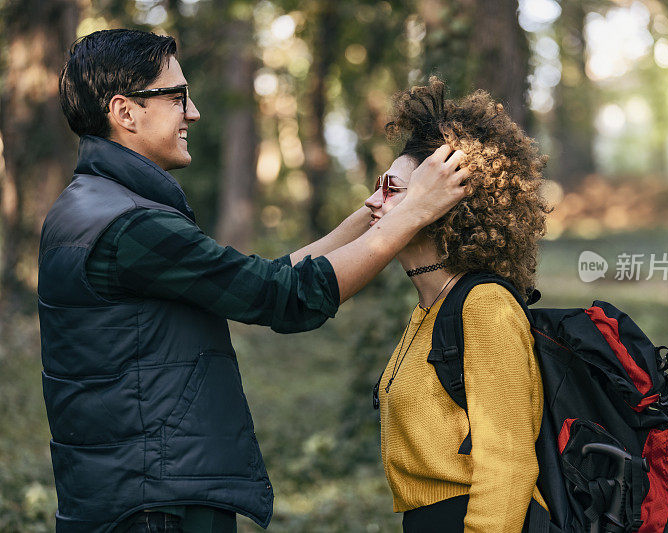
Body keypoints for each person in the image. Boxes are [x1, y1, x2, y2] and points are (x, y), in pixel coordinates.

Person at [40, 29, 468, 532]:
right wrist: (412, 213)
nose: (192, 112)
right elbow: (283, 299)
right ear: (125, 111)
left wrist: (375, 213)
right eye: (176, 96)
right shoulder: (132, 226)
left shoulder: (92, 206)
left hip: (131, 491)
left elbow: (261, 279)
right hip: (154, 504)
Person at [368, 78, 550, 532]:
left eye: (391, 189)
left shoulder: (485, 307)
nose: (371, 201)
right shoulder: (427, 308)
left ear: (442, 204)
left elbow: (508, 467)